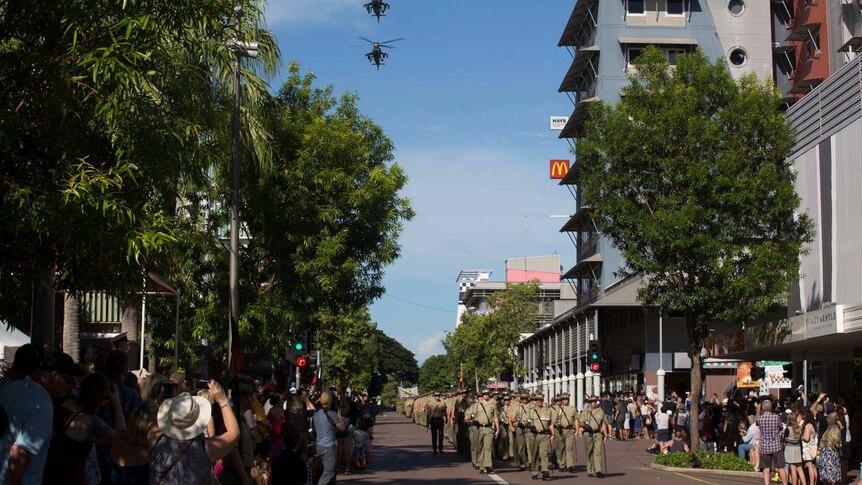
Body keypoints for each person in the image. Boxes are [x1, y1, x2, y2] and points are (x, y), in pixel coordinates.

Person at [0, 351, 82, 484]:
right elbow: (19, 452)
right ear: (55, 376)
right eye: (69, 380)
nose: (71, 386)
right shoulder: (43, 406)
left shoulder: (11, 387)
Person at [43, 372, 126, 485]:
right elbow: (119, 437)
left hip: (50, 474)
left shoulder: (65, 404)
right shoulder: (90, 422)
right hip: (71, 478)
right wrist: (116, 402)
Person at [149, 380, 239, 484]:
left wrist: (179, 400)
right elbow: (234, 433)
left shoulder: (155, 441)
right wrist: (223, 401)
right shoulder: (205, 448)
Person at [109, 401, 159, 484]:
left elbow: (120, 426)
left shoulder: (117, 441)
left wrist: (117, 402)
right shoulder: (153, 456)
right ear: (151, 427)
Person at [313, 391, 346, 485]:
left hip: (319, 445)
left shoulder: (317, 414)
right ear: (330, 400)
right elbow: (342, 428)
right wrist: (339, 416)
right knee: (328, 472)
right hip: (328, 446)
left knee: (328, 470)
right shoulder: (332, 413)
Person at [465, 389, 499, 475]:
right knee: (480, 448)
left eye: (487, 394)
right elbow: (467, 415)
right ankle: (481, 465)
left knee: (488, 447)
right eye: (484, 394)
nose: (486, 396)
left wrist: (497, 429)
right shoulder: (476, 405)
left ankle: (488, 466)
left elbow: (495, 417)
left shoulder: (492, 405)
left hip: (488, 428)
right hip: (479, 428)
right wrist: (468, 419)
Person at [756, 400, 788, 485]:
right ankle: (785, 484)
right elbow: (781, 427)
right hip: (776, 445)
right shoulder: (776, 417)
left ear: (763, 408)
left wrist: (758, 409)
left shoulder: (760, 419)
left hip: (764, 446)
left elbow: (756, 422)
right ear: (771, 408)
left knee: (766, 468)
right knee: (781, 467)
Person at [578, 395, 609, 479]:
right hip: (588, 434)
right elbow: (580, 422)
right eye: (592, 402)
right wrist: (584, 425)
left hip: (597, 434)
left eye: (595, 401)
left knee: (597, 452)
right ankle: (590, 470)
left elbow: (603, 423)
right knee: (589, 452)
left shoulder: (600, 411)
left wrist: (605, 434)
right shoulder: (585, 412)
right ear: (589, 403)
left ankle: (598, 470)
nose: (593, 403)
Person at [525, 393, 554, 481]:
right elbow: (526, 421)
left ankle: (545, 471)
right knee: (534, 454)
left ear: (542, 401)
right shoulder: (531, 410)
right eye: (537, 400)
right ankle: (534, 471)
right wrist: (527, 424)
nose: (539, 402)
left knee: (544, 453)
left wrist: (553, 434)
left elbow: (551, 424)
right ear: (535, 401)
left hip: (544, 435)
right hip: (533, 435)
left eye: (541, 400)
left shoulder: (548, 410)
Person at [554, 392, 578, 474]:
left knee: (569, 448)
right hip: (560, 430)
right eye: (564, 399)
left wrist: (577, 430)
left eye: (567, 399)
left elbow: (576, 420)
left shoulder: (573, 408)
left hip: (570, 430)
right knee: (561, 448)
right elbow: (554, 420)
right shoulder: (558, 409)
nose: (565, 401)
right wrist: (556, 424)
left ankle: (570, 465)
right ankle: (562, 464)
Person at [818, 413, 843, 485]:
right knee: (832, 471)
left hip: (827, 452)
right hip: (831, 452)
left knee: (826, 471)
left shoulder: (831, 428)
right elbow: (837, 441)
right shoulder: (834, 428)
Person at [784, 411, 806, 485]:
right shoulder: (799, 428)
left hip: (790, 449)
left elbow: (785, 439)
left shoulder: (788, 429)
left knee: (793, 469)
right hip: (798, 449)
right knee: (800, 469)